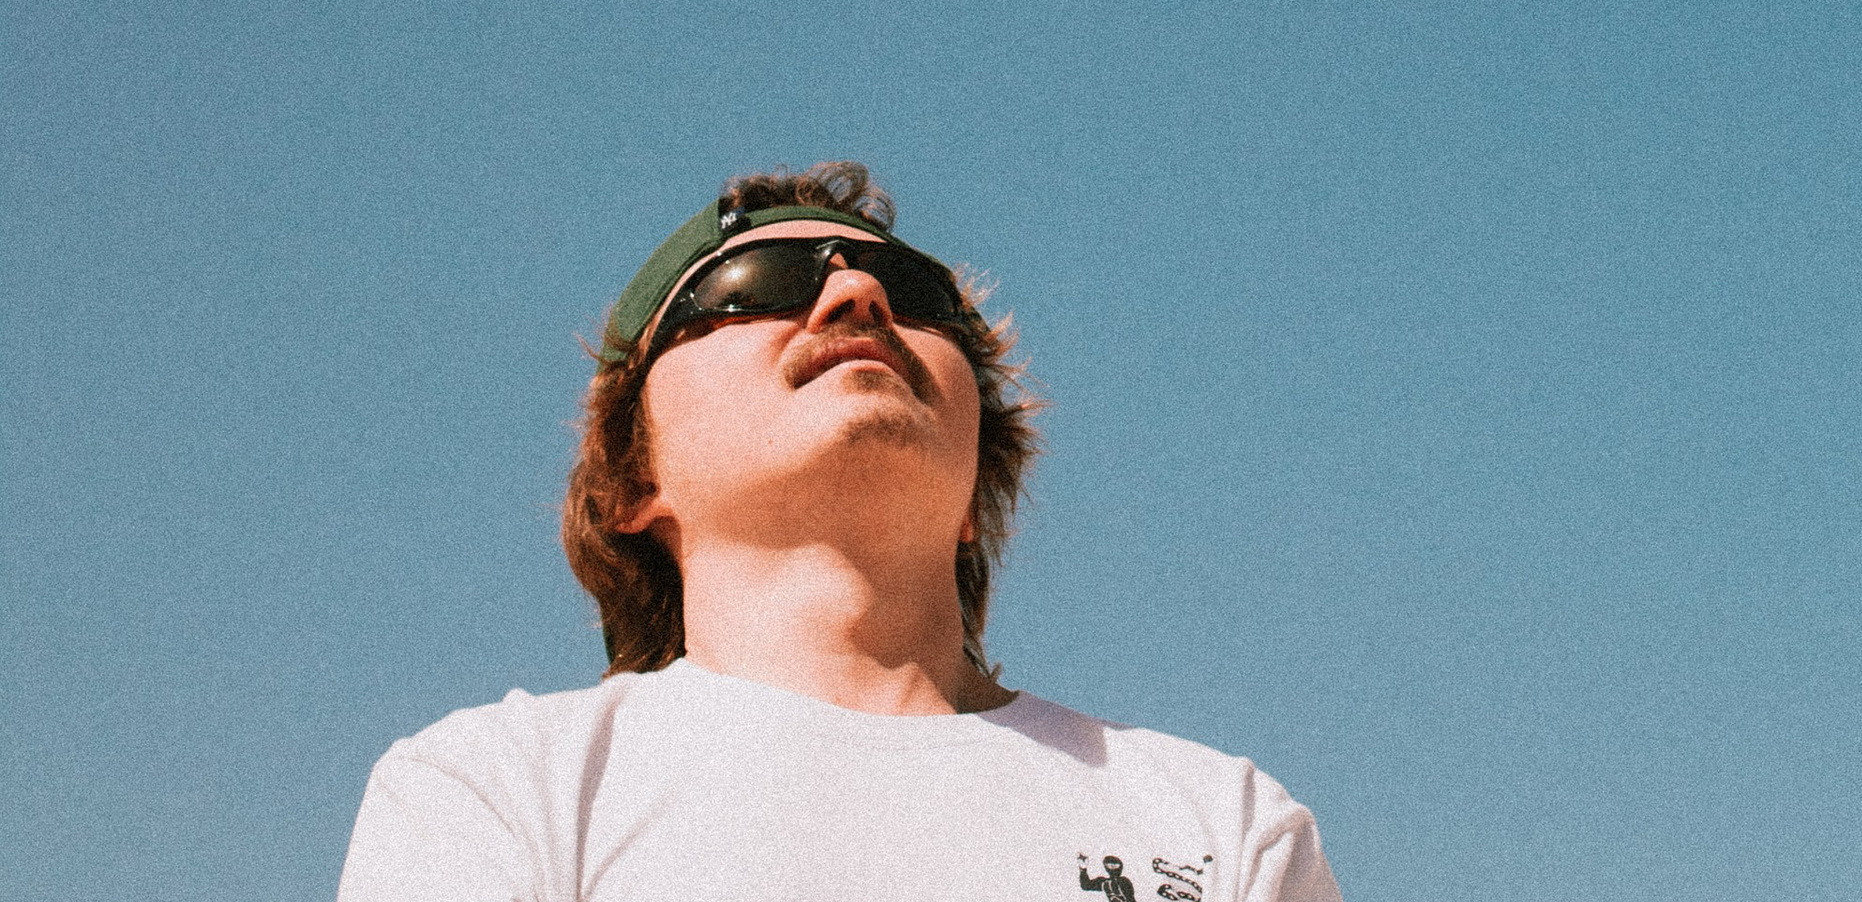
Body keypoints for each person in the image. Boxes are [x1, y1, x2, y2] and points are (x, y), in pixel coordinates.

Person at [339, 162, 1343, 902]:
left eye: (913, 298)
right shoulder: (501, 788)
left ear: (974, 490)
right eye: (757, 286)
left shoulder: (1221, 825)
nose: (855, 294)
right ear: (634, 474)